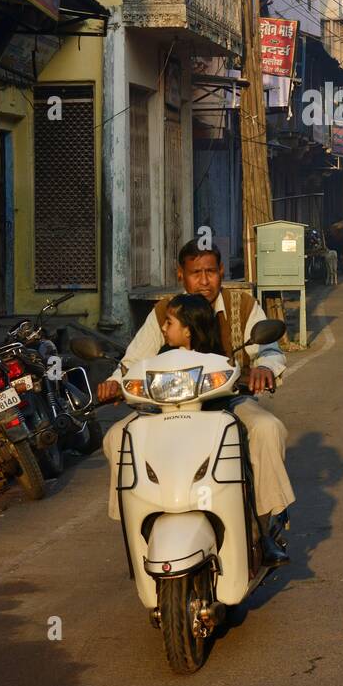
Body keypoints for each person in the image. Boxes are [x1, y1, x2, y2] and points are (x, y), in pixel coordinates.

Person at [98, 239, 293, 565]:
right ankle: (137, 521)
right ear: (181, 275)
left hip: (229, 401)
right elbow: (134, 358)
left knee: (266, 428)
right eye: (195, 273)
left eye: (211, 272)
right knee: (117, 437)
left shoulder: (241, 304)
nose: (204, 280)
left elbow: (270, 350)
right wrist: (114, 384)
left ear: (221, 273)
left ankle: (263, 525)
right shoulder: (166, 312)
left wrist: (263, 367)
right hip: (167, 406)